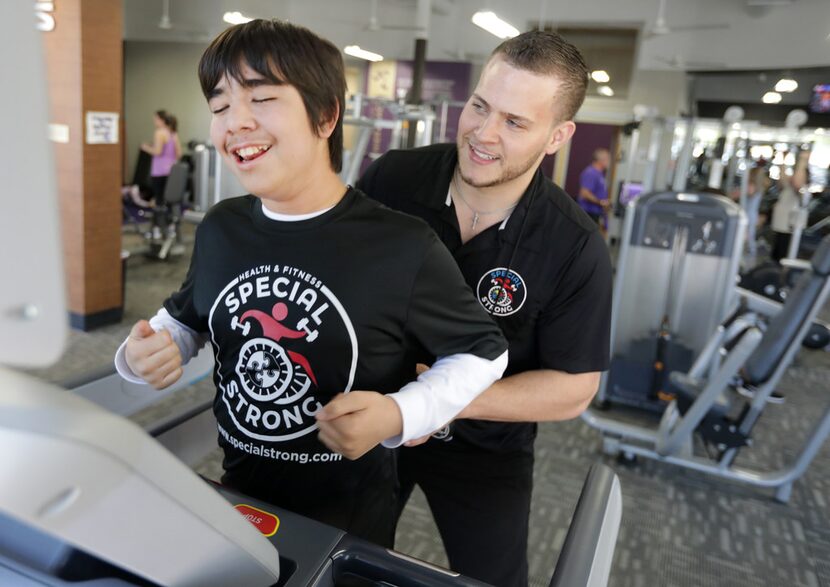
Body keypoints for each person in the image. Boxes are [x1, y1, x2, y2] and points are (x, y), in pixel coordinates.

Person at [114, 19, 508, 548]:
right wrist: (148, 349)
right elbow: (188, 317)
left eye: (263, 98)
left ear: (325, 116)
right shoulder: (222, 227)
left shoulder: (401, 245)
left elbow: (483, 353)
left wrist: (398, 411)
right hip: (240, 502)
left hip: (347, 528)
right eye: (220, 107)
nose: (237, 122)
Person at [357, 30, 612, 587]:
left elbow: (574, 387)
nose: (483, 134)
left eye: (516, 123)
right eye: (479, 106)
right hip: (369, 419)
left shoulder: (574, 245)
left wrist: (438, 403)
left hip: (485, 446)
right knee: (339, 564)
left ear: (557, 136)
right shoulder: (391, 180)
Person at [771, 149, 810, 261]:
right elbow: (783, 177)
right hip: (781, 227)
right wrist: (782, 159)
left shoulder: (801, 189)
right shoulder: (788, 188)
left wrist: (803, 160)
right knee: (776, 255)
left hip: (789, 229)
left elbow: (797, 181)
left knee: (783, 257)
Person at [141, 110, 182, 202]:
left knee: (159, 199)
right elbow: (179, 154)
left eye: (155, 119)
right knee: (168, 198)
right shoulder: (173, 133)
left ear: (162, 120)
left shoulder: (159, 132)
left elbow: (158, 152)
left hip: (159, 171)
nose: (154, 122)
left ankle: (160, 215)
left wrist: (145, 147)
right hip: (171, 170)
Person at [578, 147, 612, 228]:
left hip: (596, 213)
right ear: (601, 160)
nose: (609, 162)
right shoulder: (590, 173)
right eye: (608, 159)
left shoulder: (599, 174)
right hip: (588, 213)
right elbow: (585, 193)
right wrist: (601, 202)